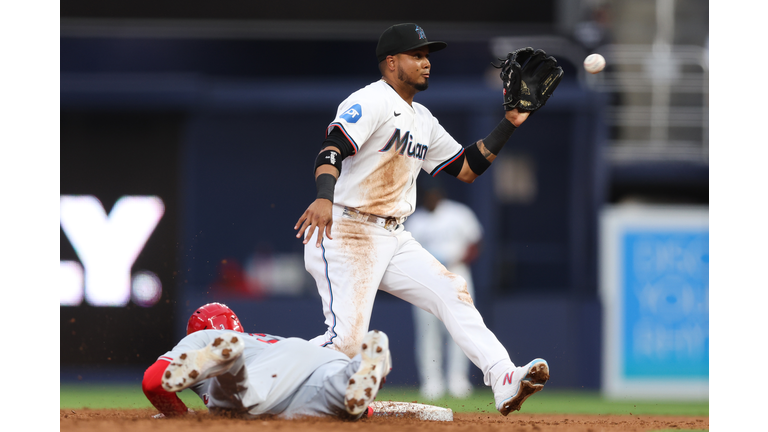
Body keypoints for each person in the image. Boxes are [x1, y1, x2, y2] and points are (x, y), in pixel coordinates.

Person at [294, 23, 557, 415]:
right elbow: (332, 148)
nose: (426, 63)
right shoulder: (371, 101)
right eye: (416, 56)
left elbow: (468, 167)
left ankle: (503, 377)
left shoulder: (424, 120)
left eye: (427, 55)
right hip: (347, 231)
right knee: (346, 346)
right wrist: (323, 198)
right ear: (391, 62)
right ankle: (261, 367)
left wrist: (512, 121)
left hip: (393, 235)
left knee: (454, 291)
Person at [141, 302, 391, 419]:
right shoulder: (262, 340)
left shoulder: (205, 337)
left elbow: (153, 383)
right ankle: (358, 369)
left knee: (234, 406)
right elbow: (367, 413)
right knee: (341, 403)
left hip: (267, 377)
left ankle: (229, 366)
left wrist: (183, 418)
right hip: (317, 358)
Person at [406, 181, 482, 400]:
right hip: (427, 278)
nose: (431, 198)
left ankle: (458, 381)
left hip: (456, 273)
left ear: (441, 194)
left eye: (434, 194)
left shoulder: (459, 213)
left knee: (461, 329)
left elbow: (475, 243)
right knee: (427, 332)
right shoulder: (416, 220)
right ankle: (432, 383)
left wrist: (456, 258)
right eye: (427, 195)